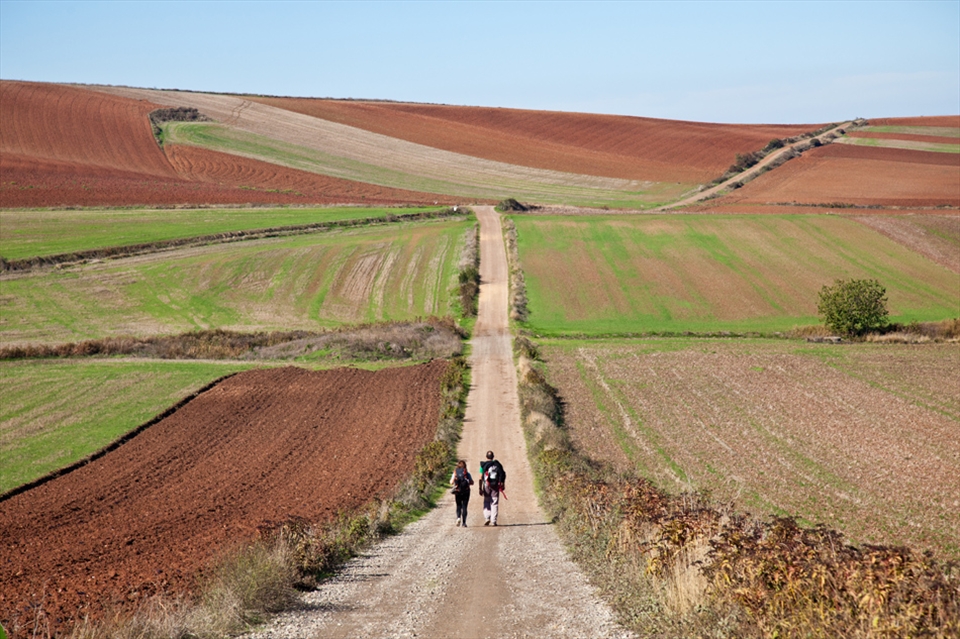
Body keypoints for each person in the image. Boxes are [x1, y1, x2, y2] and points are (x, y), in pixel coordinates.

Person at [479, 450, 506, 526]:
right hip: (495, 485)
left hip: (486, 485)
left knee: (487, 501)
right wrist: (502, 484)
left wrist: (480, 488)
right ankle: (493, 520)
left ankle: (487, 517)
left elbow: (480, 477)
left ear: (486, 457)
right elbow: (502, 474)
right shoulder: (497, 465)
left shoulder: (483, 466)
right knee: (494, 502)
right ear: (493, 457)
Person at [450, 460, 474, 527]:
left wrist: (455, 480)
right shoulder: (467, 473)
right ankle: (464, 523)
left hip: (458, 491)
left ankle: (458, 517)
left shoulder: (455, 473)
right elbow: (471, 482)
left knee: (458, 505)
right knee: (464, 506)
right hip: (466, 491)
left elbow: (451, 482)